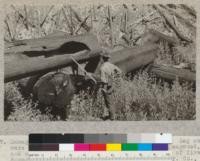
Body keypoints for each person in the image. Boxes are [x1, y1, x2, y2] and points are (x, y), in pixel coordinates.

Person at [99, 49, 122, 120]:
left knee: (108, 102)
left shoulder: (102, 67)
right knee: (111, 101)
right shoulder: (112, 65)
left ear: (102, 58)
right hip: (113, 85)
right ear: (108, 58)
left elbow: (104, 80)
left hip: (107, 86)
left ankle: (112, 117)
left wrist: (104, 89)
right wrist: (115, 78)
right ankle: (111, 115)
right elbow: (120, 72)